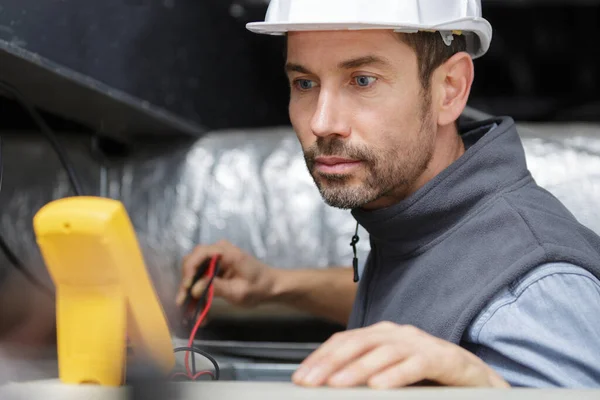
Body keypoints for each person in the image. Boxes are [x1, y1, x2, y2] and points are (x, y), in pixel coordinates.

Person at [176, 0, 600, 389]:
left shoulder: (533, 290)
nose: (322, 122)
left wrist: (489, 393)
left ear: (449, 88)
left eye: (362, 80)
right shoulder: (432, 223)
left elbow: (494, 305)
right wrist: (277, 285)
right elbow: (430, 290)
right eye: (305, 83)